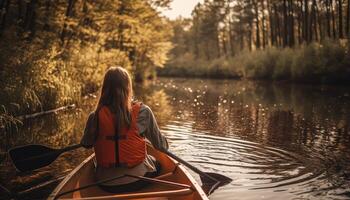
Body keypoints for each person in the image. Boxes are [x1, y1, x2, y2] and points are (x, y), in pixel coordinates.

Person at [80, 66, 169, 193]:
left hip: (105, 184)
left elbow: (86, 144)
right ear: (128, 87)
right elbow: (162, 147)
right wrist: (162, 138)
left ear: (105, 88)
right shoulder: (143, 112)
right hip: (136, 181)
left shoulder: (95, 116)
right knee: (157, 163)